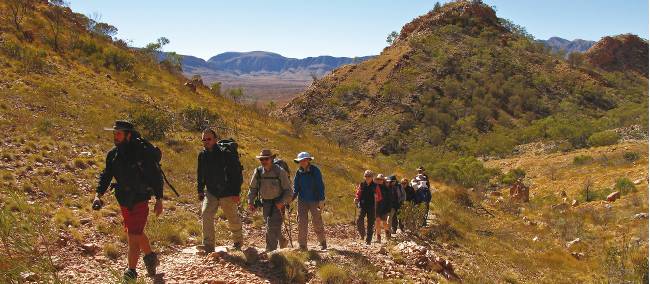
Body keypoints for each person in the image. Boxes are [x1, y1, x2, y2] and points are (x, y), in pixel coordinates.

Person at [93, 120, 162, 281]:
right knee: (136, 233)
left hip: (140, 198)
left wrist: (159, 199)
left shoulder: (141, 153)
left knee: (133, 235)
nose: (115, 136)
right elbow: (106, 175)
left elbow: (155, 176)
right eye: (114, 133)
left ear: (128, 135)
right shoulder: (113, 154)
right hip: (123, 200)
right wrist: (98, 194)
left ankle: (130, 272)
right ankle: (151, 258)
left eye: (119, 133)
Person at [197, 128, 244, 252]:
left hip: (227, 192)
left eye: (209, 139)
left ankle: (238, 242)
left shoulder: (226, 154)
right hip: (211, 192)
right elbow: (200, 173)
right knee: (206, 214)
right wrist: (200, 190)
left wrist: (236, 193)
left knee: (232, 217)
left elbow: (236, 174)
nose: (206, 141)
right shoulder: (202, 155)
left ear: (215, 140)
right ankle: (208, 245)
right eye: (204, 139)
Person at [247, 149, 292, 252]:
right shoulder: (258, 172)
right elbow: (253, 188)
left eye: (266, 159)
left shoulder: (280, 171)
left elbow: (289, 191)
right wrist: (250, 201)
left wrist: (282, 202)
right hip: (265, 203)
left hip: (278, 203)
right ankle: (282, 240)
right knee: (271, 226)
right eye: (261, 159)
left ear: (271, 159)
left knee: (271, 227)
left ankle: (271, 252)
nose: (263, 161)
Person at [293, 152, 327, 250]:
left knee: (317, 221)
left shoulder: (315, 171)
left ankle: (322, 242)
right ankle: (302, 245)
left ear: (308, 160)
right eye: (300, 161)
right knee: (302, 222)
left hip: (315, 200)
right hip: (302, 200)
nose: (302, 162)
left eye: (304, 160)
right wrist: (291, 198)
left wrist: (321, 200)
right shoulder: (298, 172)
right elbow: (296, 187)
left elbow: (320, 186)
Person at [355, 170, 377, 245]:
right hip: (363, 205)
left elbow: (380, 197)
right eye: (366, 176)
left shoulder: (375, 186)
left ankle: (368, 240)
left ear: (372, 177)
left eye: (369, 176)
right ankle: (362, 234)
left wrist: (377, 197)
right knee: (359, 220)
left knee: (370, 223)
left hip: (372, 206)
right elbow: (358, 193)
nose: (367, 178)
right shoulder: (362, 184)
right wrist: (357, 198)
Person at [374, 174, 392, 243]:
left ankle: (387, 232)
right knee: (377, 222)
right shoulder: (374, 188)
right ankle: (378, 237)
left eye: (380, 179)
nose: (379, 181)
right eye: (378, 179)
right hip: (376, 207)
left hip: (384, 208)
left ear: (383, 180)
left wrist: (388, 209)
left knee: (384, 223)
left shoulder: (386, 189)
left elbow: (389, 200)